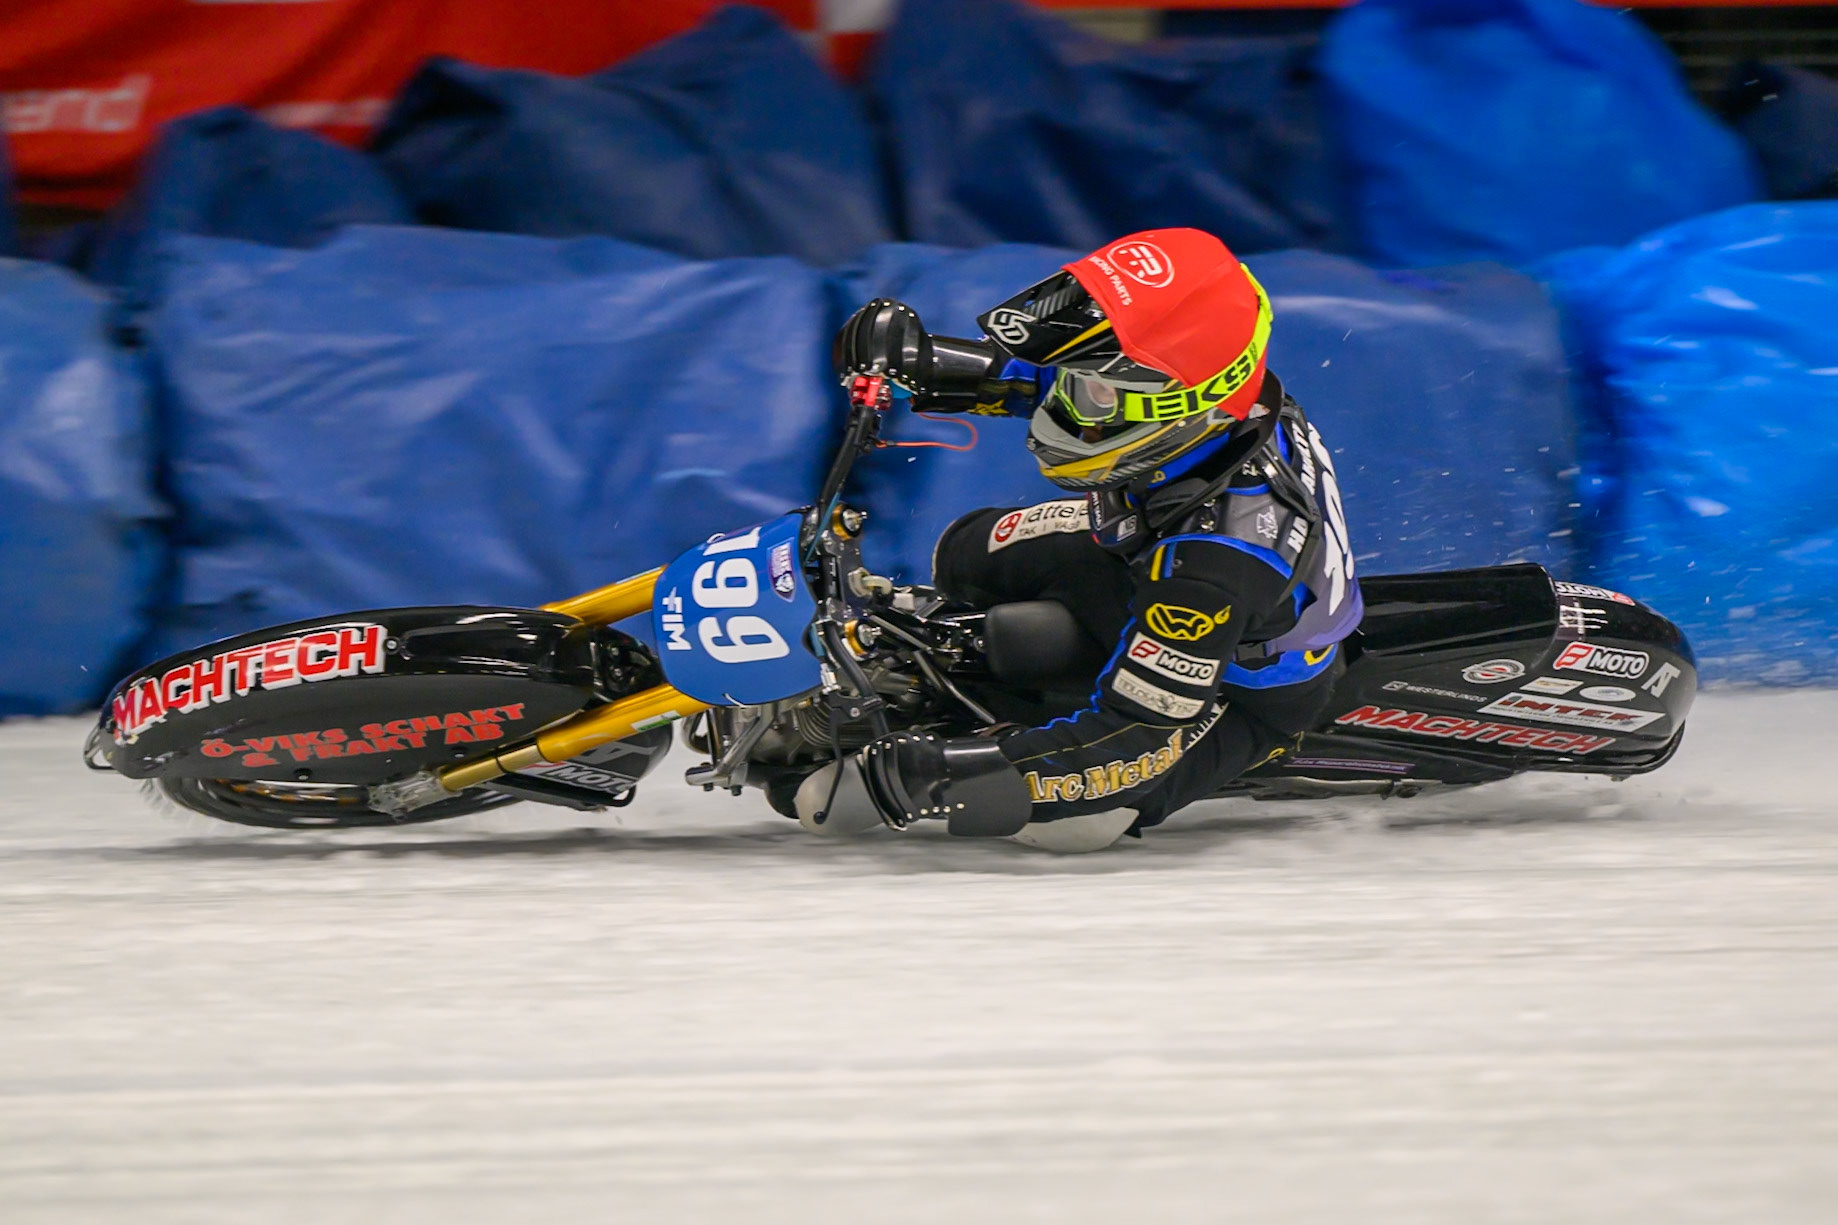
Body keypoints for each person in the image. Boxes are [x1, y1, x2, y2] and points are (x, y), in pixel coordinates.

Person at [815, 228, 1362, 851]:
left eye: (1094, 392)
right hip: (1143, 546)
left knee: (1084, 823)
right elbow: (1066, 378)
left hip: (1238, 691)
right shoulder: (1215, 393)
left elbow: (1133, 741)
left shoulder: (1215, 568)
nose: (1062, 402)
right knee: (965, 549)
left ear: (1171, 412)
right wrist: (919, 359)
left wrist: (935, 776)